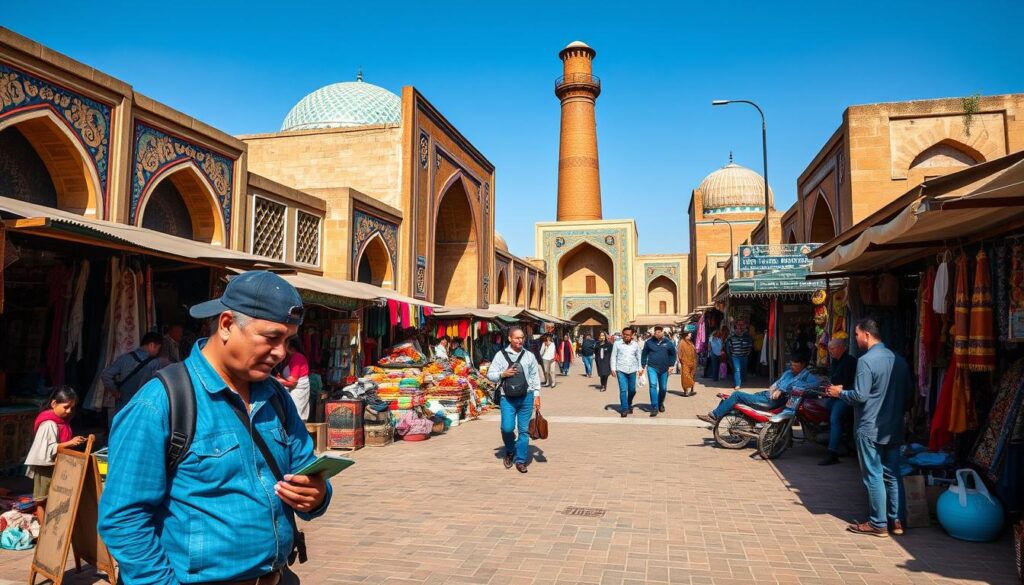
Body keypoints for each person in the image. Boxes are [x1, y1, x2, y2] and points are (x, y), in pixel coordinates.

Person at [98, 271, 331, 585]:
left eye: (288, 341)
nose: (281, 353)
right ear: (226, 325)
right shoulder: (160, 402)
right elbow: (123, 518)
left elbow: (307, 470)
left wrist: (317, 495)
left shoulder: (277, 398)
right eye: (272, 337)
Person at [825, 317, 911, 537]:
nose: (855, 338)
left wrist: (840, 393)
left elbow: (860, 395)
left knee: (873, 474)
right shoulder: (898, 360)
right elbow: (909, 397)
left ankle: (878, 523)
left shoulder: (866, 361)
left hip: (870, 426)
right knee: (892, 474)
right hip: (893, 426)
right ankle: (897, 520)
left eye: (856, 334)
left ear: (866, 334)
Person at [698, 351, 819, 424]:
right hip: (767, 394)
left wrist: (782, 390)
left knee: (737, 394)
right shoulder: (788, 373)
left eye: (795, 365)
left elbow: (815, 385)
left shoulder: (808, 377)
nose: (792, 367)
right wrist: (775, 388)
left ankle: (715, 415)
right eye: (791, 364)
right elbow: (776, 384)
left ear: (803, 365)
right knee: (734, 398)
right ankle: (719, 415)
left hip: (773, 401)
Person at [25, 386, 86, 523]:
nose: (69, 411)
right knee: (42, 500)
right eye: (66, 407)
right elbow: (48, 448)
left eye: (72, 407)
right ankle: (44, 531)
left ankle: (53, 528)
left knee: (55, 498)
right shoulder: (48, 424)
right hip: (45, 467)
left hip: (56, 465)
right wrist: (70, 443)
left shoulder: (62, 423)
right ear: (53, 404)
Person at [486, 326, 542, 473]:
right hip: (507, 398)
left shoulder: (529, 356)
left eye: (522, 337)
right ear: (510, 338)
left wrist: (537, 395)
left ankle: (521, 460)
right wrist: (503, 374)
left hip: (526, 397)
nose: (520, 340)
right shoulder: (500, 355)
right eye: (517, 337)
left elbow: (535, 376)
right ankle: (510, 449)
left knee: (524, 431)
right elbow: (490, 374)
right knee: (507, 428)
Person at [100, 332, 163, 424]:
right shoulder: (155, 363)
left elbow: (105, 374)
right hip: (141, 409)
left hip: (122, 406)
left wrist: (114, 391)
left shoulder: (124, 358)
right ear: (152, 345)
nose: (158, 352)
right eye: (158, 349)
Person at [819, 337, 858, 466]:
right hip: (834, 396)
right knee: (823, 408)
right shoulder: (835, 361)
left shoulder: (851, 362)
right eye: (829, 348)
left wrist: (842, 389)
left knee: (835, 419)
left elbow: (856, 385)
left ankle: (832, 452)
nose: (830, 351)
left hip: (846, 397)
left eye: (833, 348)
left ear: (842, 348)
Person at [641, 326, 677, 417]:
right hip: (652, 367)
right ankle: (654, 407)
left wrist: (671, 366)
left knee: (663, 388)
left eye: (659, 332)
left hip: (664, 369)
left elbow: (673, 354)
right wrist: (643, 365)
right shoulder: (649, 342)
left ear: (662, 332)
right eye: (655, 332)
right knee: (653, 385)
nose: (657, 334)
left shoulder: (668, 343)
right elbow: (644, 354)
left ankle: (660, 403)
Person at [276, 338, 312, 421]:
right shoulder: (289, 357)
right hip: (291, 390)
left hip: (298, 391)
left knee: (296, 415)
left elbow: (292, 382)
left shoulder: (297, 357)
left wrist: (278, 380)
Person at [611, 327, 643, 418]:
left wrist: (640, 368)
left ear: (632, 335)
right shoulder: (617, 344)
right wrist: (613, 368)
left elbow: (639, 357)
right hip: (620, 369)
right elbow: (613, 356)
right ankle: (624, 409)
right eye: (624, 334)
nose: (626, 336)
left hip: (632, 370)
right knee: (623, 389)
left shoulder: (635, 345)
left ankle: (629, 403)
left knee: (632, 390)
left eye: (628, 335)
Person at [725, 320, 754, 390]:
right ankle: (737, 384)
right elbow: (728, 347)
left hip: (744, 356)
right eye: (738, 327)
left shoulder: (748, 337)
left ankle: (743, 379)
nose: (739, 329)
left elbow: (750, 346)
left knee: (743, 369)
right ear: (735, 328)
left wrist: (748, 353)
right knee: (737, 370)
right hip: (735, 356)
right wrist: (730, 355)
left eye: (742, 326)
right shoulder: (731, 338)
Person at [676, 331, 697, 397]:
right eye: (689, 334)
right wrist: (679, 362)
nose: (691, 335)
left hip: (692, 362)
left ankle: (692, 390)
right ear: (686, 335)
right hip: (685, 363)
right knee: (685, 377)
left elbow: (694, 352)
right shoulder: (681, 342)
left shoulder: (690, 342)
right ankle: (686, 392)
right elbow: (678, 353)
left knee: (692, 376)